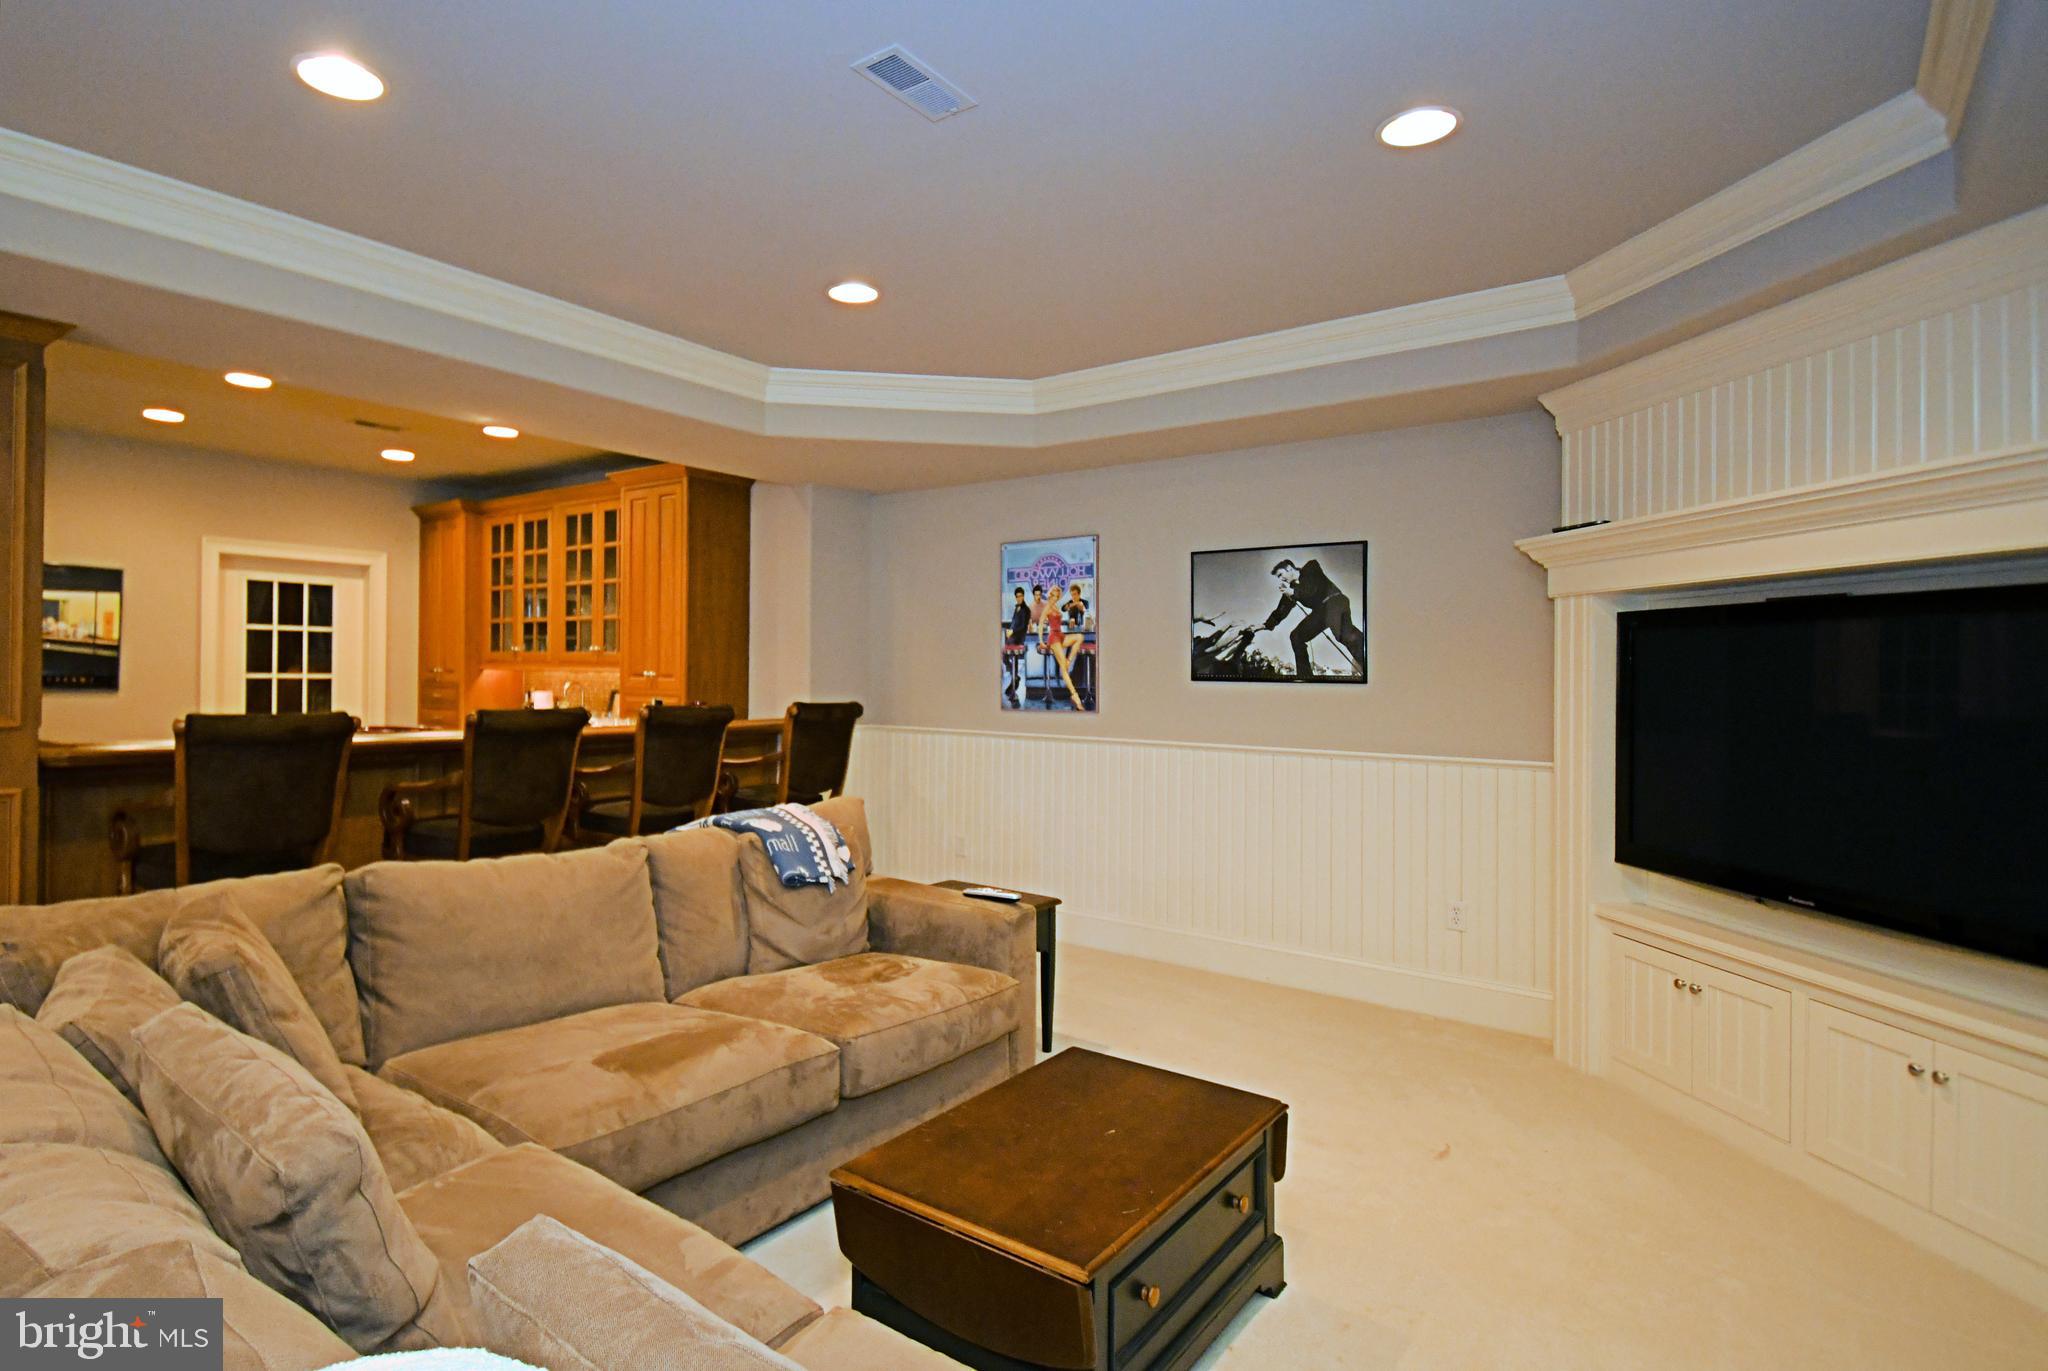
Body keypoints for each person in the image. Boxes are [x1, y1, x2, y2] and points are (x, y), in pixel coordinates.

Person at [1259, 557, 1365, 680]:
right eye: (1278, 577)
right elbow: (1282, 609)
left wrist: (1292, 592)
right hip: (1321, 612)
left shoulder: (1311, 568)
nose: (1281, 579)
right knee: (1296, 636)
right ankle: (1304, 676)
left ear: (1289, 568)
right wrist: (1266, 625)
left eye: (1281, 575)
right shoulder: (1292, 588)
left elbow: (1311, 589)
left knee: (1343, 635)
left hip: (1334, 601)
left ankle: (1368, 661)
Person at [1049, 582, 1091, 710]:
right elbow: (1063, 608)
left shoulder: (1084, 602)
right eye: (1071, 594)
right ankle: (1063, 680)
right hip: (1069, 634)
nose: (1073, 596)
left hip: (1081, 631)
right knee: (1063, 660)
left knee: (1073, 658)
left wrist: (1080, 607)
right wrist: (1072, 606)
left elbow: (1086, 610)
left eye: (1075, 594)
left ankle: (1076, 681)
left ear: (1079, 594)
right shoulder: (1069, 603)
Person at [1001, 585, 1030, 703]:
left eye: (1020, 596)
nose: (1019, 598)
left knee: (1006, 652)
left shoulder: (1026, 610)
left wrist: (1012, 631)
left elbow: (1023, 626)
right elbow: (1014, 622)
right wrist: (1009, 630)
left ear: (1023, 596)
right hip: (1013, 636)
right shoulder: (1016, 608)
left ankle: (1014, 675)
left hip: (1019, 637)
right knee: (1005, 654)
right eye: (1017, 596)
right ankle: (1014, 675)